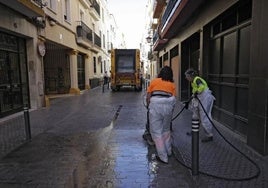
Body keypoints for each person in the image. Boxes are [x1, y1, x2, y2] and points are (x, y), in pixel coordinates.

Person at [146, 66, 176, 164]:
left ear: (160, 73)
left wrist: (148, 106)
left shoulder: (154, 81)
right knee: (166, 130)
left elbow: (148, 96)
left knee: (156, 132)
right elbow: (173, 99)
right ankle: (169, 151)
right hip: (168, 107)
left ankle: (163, 157)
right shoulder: (172, 84)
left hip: (155, 106)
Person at [185, 68, 215, 142]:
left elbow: (201, 87)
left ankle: (209, 135)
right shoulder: (193, 82)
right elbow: (195, 91)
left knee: (204, 116)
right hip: (200, 98)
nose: (186, 78)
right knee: (195, 115)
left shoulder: (197, 79)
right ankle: (194, 131)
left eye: (187, 76)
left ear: (191, 76)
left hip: (205, 98)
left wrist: (196, 92)